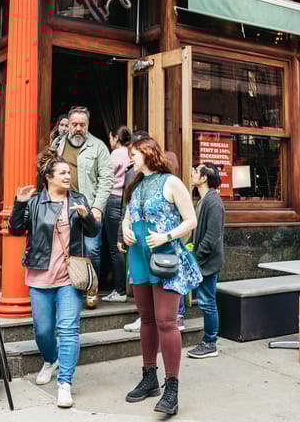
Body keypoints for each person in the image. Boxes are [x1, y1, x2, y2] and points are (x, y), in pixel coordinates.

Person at [9, 152, 98, 409]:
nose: (68, 176)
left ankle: (65, 383)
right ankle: (50, 359)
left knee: (69, 329)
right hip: (40, 275)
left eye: (69, 173)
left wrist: (86, 216)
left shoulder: (78, 199)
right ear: (49, 177)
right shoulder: (35, 202)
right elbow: (16, 230)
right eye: (62, 173)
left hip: (70, 276)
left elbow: (93, 232)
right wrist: (19, 204)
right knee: (43, 330)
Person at [121, 136, 202, 416]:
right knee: (146, 319)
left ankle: (172, 387)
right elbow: (128, 217)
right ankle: (149, 377)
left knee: (167, 321)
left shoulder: (172, 182)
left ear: (147, 153)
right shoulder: (135, 186)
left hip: (166, 256)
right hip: (139, 257)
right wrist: (125, 229)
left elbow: (191, 220)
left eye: (134, 154)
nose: (131, 159)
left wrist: (166, 235)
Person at [52, 106, 112, 308]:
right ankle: (68, 288)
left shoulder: (99, 147)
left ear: (87, 125)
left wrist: (97, 208)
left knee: (92, 249)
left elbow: (106, 180)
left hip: (88, 207)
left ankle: (92, 287)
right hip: (62, 207)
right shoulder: (57, 145)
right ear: (68, 125)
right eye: (74, 124)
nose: (78, 128)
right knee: (65, 248)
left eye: (82, 124)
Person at [187, 163, 225, 359]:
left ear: (203, 178)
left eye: (196, 171)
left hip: (207, 262)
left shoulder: (213, 201)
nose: (192, 173)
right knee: (206, 301)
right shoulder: (203, 200)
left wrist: (197, 255)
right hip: (202, 260)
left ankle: (210, 342)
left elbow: (212, 236)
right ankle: (209, 341)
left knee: (208, 302)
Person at [103, 125, 132, 303]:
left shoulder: (114, 155)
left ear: (115, 138)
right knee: (124, 244)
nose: (110, 141)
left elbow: (106, 177)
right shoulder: (131, 153)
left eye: (110, 138)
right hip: (126, 200)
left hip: (114, 199)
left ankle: (120, 290)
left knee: (115, 247)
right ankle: (127, 287)